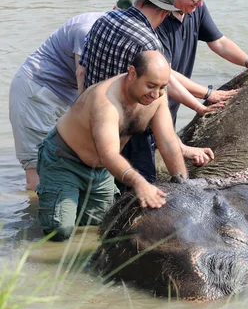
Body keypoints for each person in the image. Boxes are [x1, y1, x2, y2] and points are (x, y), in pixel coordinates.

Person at [79, 0, 218, 188]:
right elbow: (155, 97)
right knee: (137, 193)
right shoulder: (148, 42)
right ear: (164, 12)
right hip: (127, 131)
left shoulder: (103, 20)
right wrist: (201, 106)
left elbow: (83, 69)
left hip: (90, 121)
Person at [37, 51, 189, 241]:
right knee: (59, 231)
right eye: (150, 86)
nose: (156, 94)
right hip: (64, 160)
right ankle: (48, 200)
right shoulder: (106, 101)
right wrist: (139, 182)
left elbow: (167, 141)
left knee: (97, 229)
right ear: (132, 73)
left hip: (100, 171)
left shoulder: (157, 98)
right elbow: (108, 154)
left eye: (162, 87)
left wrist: (183, 184)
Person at [9, 0, 137, 190]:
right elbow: (82, 77)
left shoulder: (110, 33)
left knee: (62, 163)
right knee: (38, 170)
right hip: (37, 93)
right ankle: (35, 218)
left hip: (62, 96)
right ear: (113, 12)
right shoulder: (88, 29)